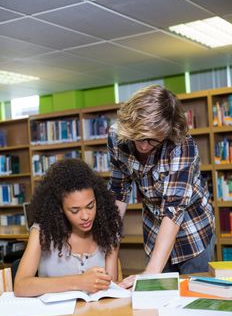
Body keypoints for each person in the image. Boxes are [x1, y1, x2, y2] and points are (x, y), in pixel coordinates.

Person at [108, 85, 215, 288]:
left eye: (152, 140)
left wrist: (150, 273)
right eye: (138, 136)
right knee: (156, 298)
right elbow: (118, 191)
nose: (143, 146)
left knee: (195, 294)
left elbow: (174, 210)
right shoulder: (117, 136)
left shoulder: (182, 145)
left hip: (194, 231)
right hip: (154, 227)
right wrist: (111, 251)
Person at [14, 158, 122, 297]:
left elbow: (110, 288)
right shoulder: (42, 231)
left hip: (96, 315)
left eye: (90, 206)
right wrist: (79, 282)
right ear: (60, 208)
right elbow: (21, 286)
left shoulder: (108, 228)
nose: (85, 216)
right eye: (75, 210)